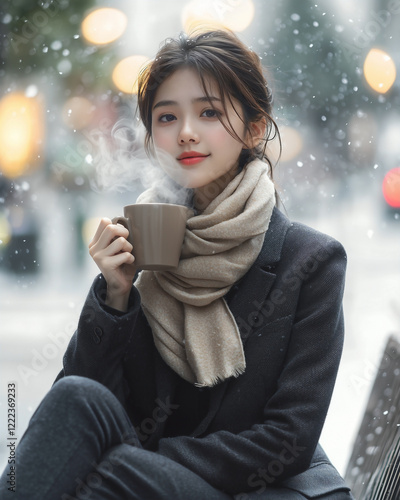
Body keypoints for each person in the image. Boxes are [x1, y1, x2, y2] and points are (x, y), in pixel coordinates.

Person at [0, 29, 354, 499]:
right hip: (148, 481)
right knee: (77, 403)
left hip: (261, 491)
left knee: (95, 478)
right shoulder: (148, 245)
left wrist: (135, 459)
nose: (186, 131)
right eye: (167, 117)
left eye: (208, 112)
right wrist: (116, 297)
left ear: (253, 128)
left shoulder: (311, 261)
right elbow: (84, 407)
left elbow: (287, 440)